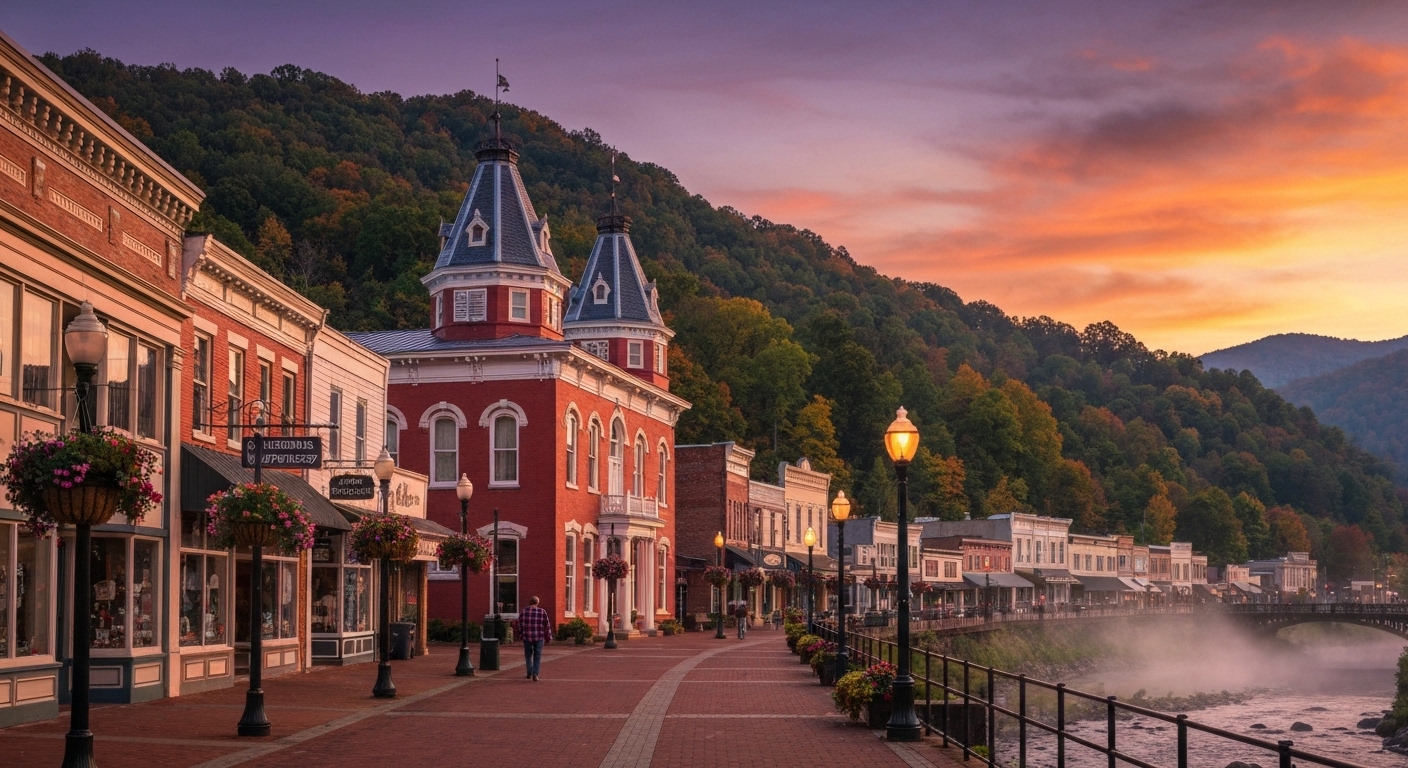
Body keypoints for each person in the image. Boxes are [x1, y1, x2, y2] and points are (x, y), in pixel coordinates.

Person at [517, 596, 551, 681]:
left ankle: (529, 672)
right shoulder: (542, 611)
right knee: (537, 656)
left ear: (530, 602)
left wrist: (520, 634)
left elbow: (519, 624)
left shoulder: (524, 611)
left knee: (528, 655)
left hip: (527, 637)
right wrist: (548, 637)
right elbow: (547, 625)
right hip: (539, 636)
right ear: (537, 603)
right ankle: (535, 674)